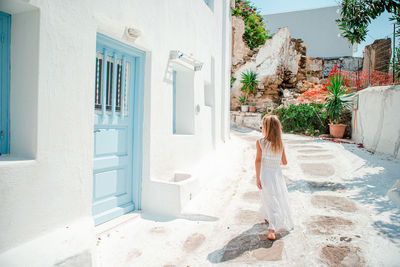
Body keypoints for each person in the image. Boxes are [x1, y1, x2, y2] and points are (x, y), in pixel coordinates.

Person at [255, 115, 294, 240]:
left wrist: (257, 178)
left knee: (269, 197)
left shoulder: (260, 142)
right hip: (277, 175)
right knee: (274, 197)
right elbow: (285, 162)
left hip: (265, 174)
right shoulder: (280, 144)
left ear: (266, 128)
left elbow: (258, 161)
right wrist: (275, 161)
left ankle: (272, 228)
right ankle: (269, 217)